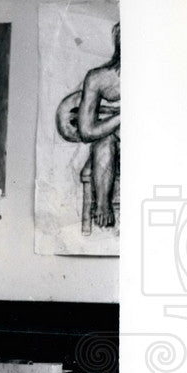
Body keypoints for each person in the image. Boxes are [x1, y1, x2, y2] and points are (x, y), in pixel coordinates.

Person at [56, 22, 120, 229]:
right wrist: (122, 117)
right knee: (104, 140)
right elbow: (86, 131)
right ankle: (102, 204)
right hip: (113, 140)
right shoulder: (98, 78)